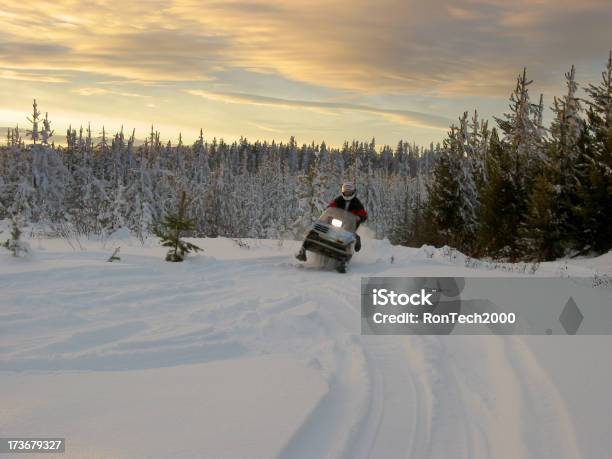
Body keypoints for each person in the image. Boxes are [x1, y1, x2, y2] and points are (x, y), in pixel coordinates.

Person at [296, 181, 368, 261]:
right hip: (335, 222)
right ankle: (302, 251)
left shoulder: (357, 203)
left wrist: (361, 217)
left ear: (353, 192)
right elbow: (331, 206)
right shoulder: (339, 200)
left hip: (349, 227)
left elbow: (363, 213)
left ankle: (346, 258)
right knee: (315, 231)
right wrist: (328, 210)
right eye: (346, 192)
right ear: (343, 191)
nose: (347, 193)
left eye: (349, 192)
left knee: (355, 239)